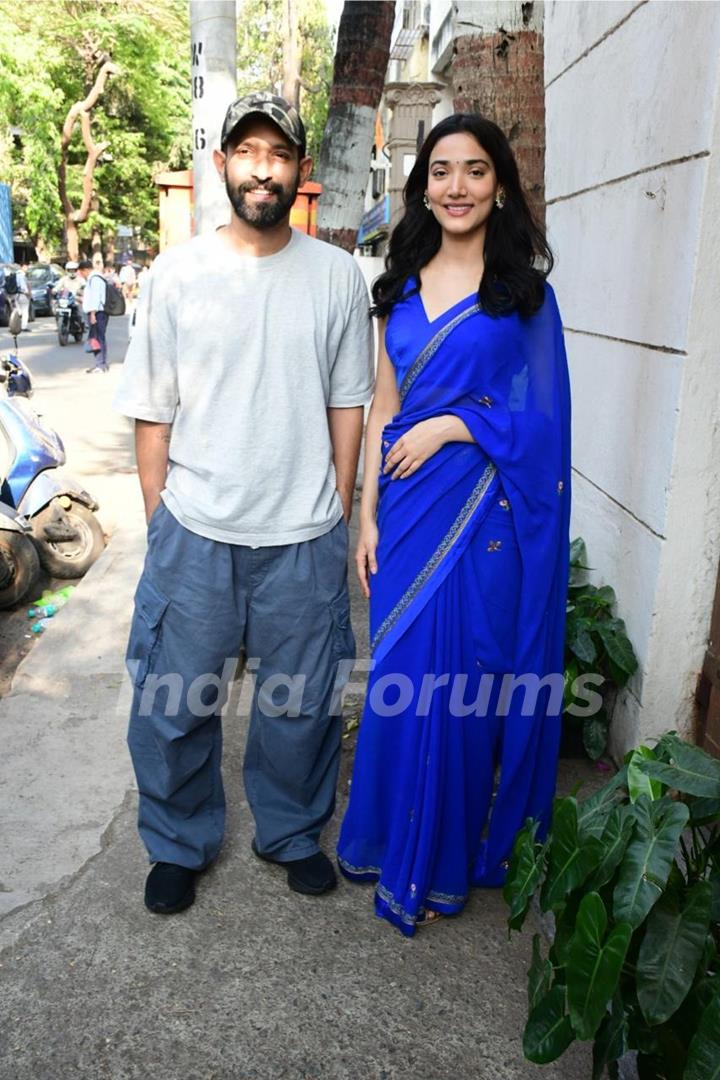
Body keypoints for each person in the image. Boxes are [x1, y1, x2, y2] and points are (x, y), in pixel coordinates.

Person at [113, 93, 374, 915]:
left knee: (300, 708)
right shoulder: (177, 275)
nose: (263, 166)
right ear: (223, 164)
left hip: (302, 538)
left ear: (299, 173)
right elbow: (152, 412)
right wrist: (162, 524)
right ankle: (179, 842)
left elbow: (347, 404)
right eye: (247, 151)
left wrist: (334, 506)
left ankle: (291, 831)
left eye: (278, 153)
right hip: (196, 533)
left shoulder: (336, 276)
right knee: (173, 704)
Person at [336, 113, 571, 936]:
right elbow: (382, 408)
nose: (457, 187)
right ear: (422, 185)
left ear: (499, 183)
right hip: (402, 517)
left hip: (486, 522)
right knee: (403, 689)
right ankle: (391, 844)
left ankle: (441, 866)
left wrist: (462, 425)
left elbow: (545, 428)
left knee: (467, 691)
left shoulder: (524, 300)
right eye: (441, 171)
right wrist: (363, 518)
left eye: (475, 171)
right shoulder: (399, 284)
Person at [77, 259, 108, 372]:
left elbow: (96, 297)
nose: (82, 275)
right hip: (98, 312)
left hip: (97, 312)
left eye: (81, 273)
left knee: (98, 339)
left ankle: (100, 364)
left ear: (85, 270)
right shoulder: (96, 278)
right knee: (99, 338)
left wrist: (93, 314)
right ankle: (100, 363)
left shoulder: (94, 279)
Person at [15, 264, 30, 331]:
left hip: (15, 295)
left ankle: (15, 326)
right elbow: (23, 287)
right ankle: (24, 327)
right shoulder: (22, 275)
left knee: (18, 312)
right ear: (23, 267)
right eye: (26, 267)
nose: (27, 269)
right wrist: (28, 293)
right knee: (25, 312)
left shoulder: (14, 274)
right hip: (22, 295)